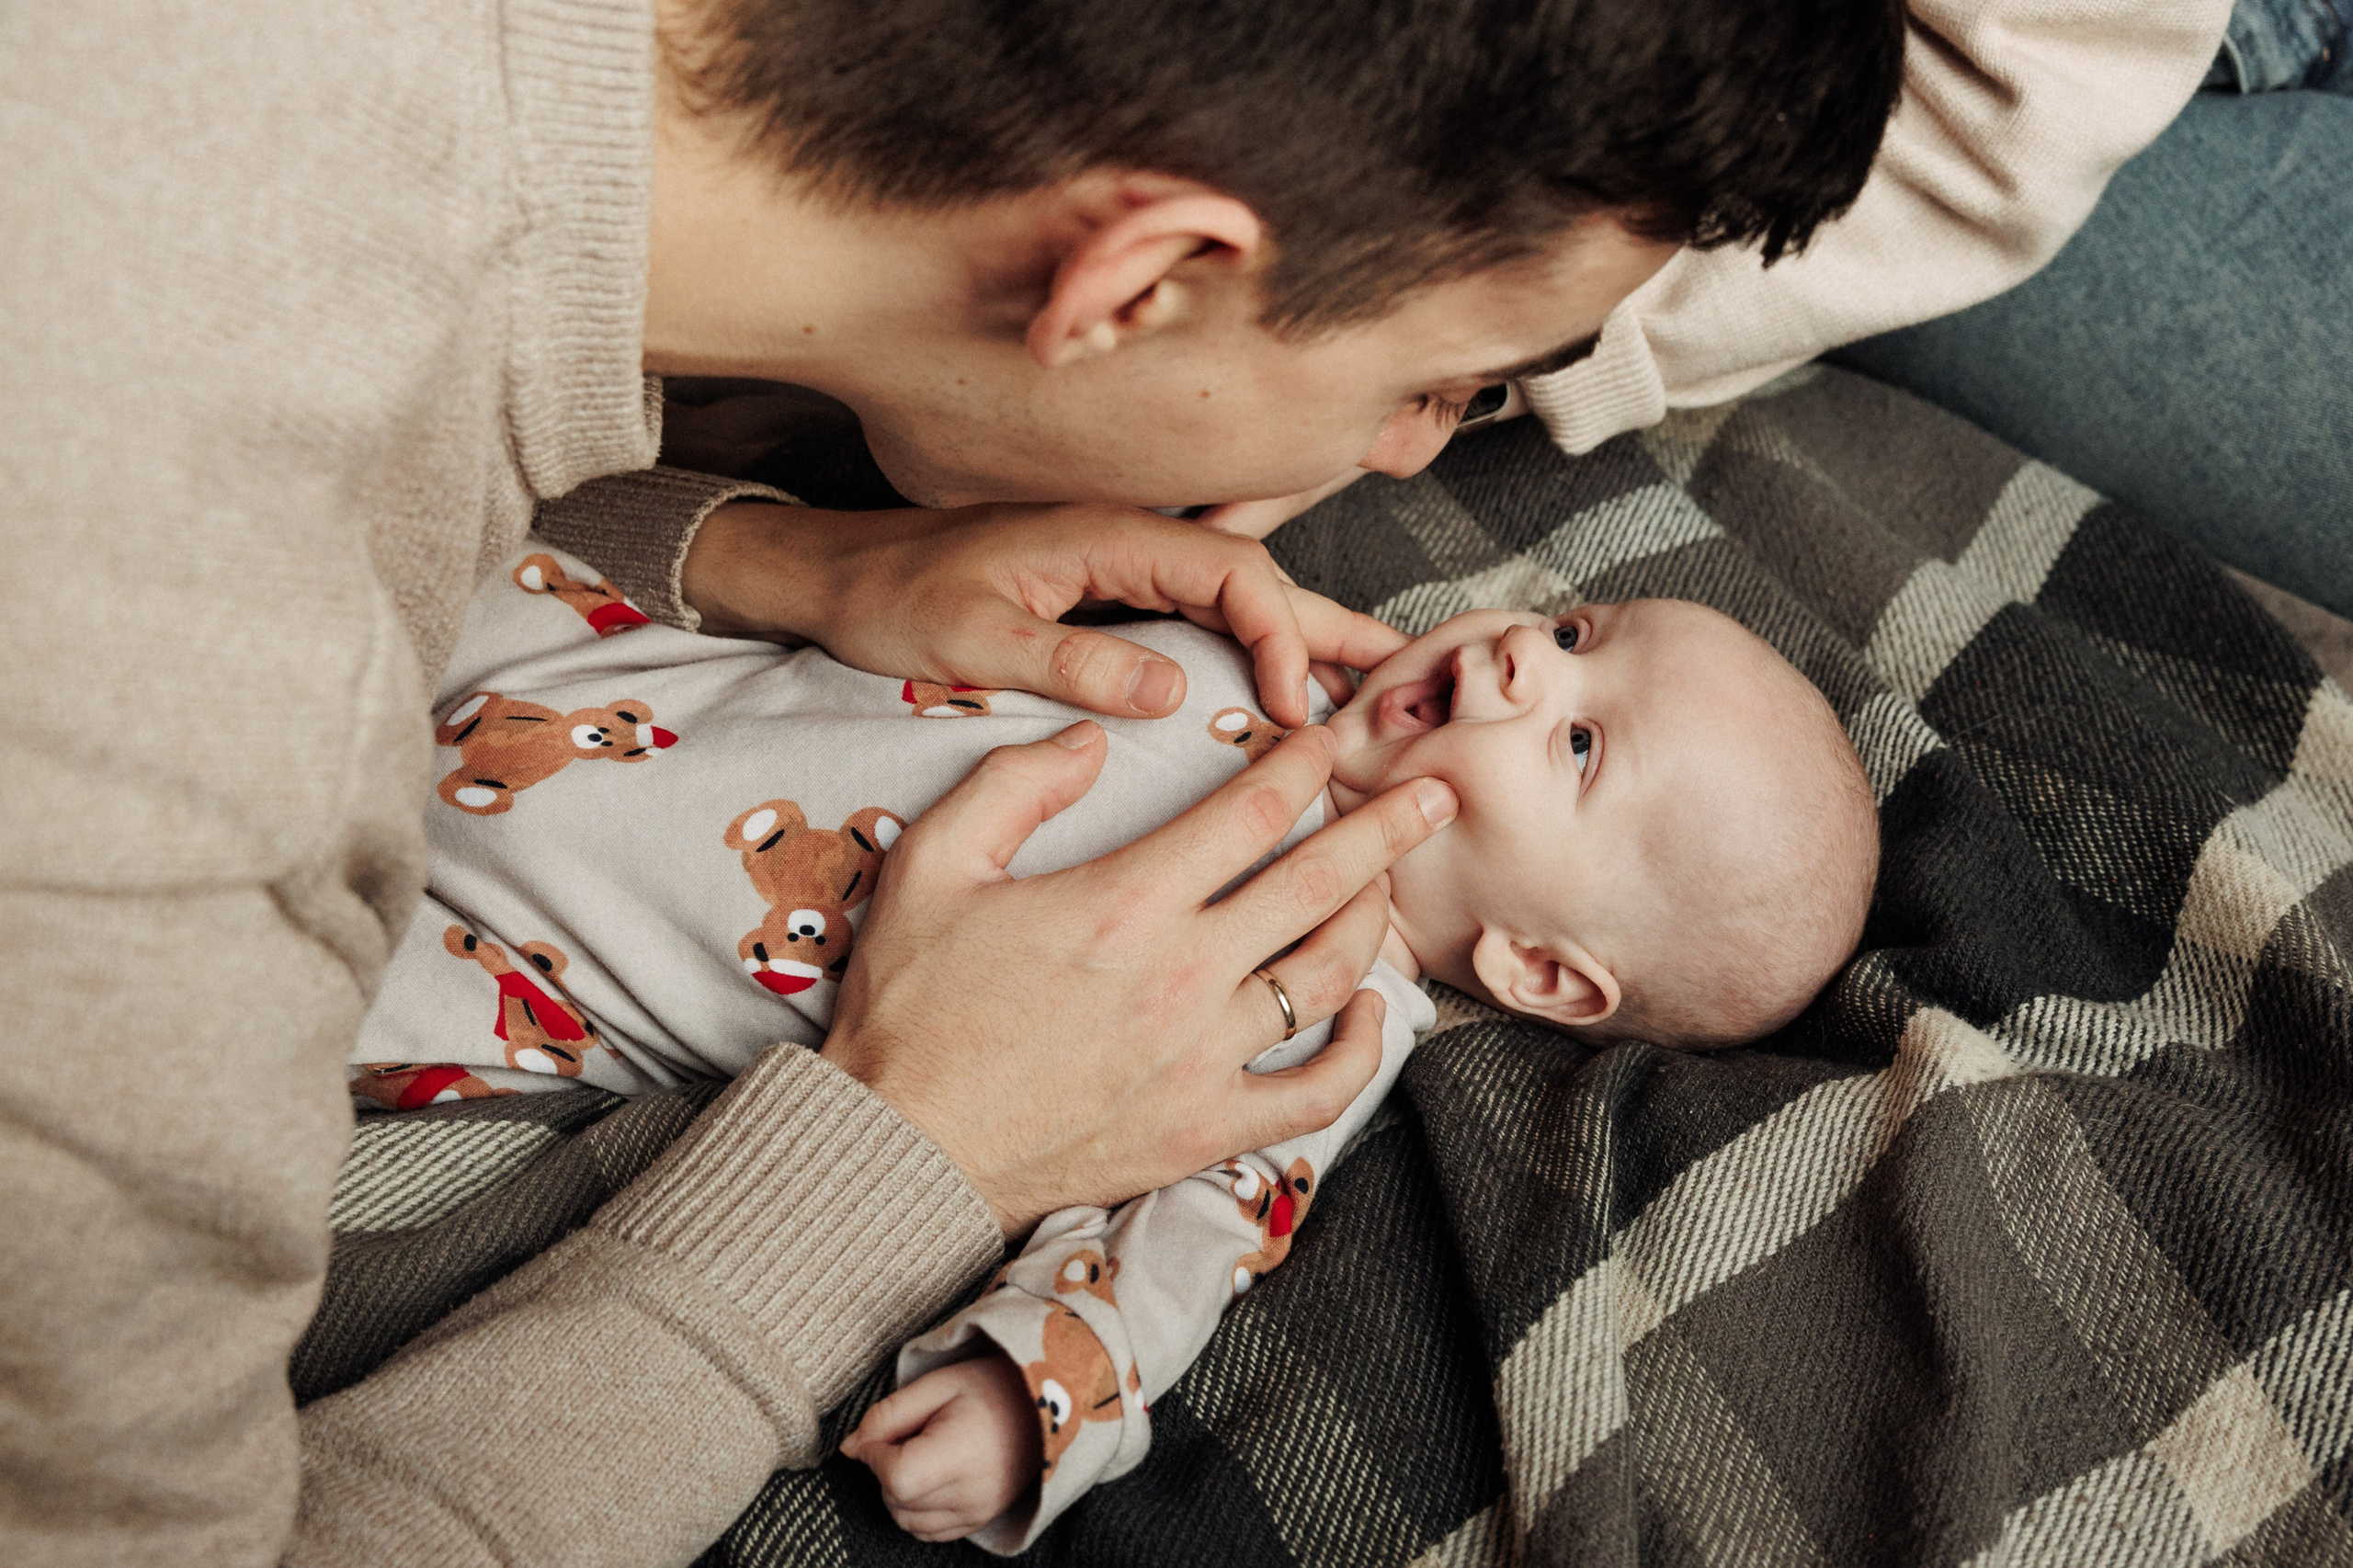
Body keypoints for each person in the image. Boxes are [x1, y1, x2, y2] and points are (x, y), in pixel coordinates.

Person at [1, 0, 1911, 1562]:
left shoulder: (1317, 1016)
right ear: (1144, 275)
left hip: (518, 908)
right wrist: (908, 1153)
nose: (1414, 464)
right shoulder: (151, 800)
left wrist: (764, 555)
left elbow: (1174, 1243)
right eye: (1452, 383)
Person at [352, 542, 1877, 1548]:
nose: (1524, 665)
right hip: (581, 669)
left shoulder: (1330, 1018)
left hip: (511, 961)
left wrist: (1035, 1395)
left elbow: (1190, 1240)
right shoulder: (1283, 647)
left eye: (1581, 742)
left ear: (1539, 965)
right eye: (1573, 627)